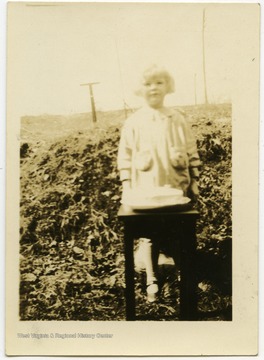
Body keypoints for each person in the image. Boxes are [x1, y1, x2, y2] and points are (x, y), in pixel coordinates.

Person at [117, 64, 200, 302]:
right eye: (147, 84)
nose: (153, 88)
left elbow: (190, 149)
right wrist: (126, 184)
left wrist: (194, 179)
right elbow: (125, 156)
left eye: (159, 82)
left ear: (168, 86)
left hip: (176, 186)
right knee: (150, 234)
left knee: (178, 232)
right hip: (145, 188)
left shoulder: (177, 119)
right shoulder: (134, 122)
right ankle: (152, 278)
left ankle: (185, 276)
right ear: (139, 90)